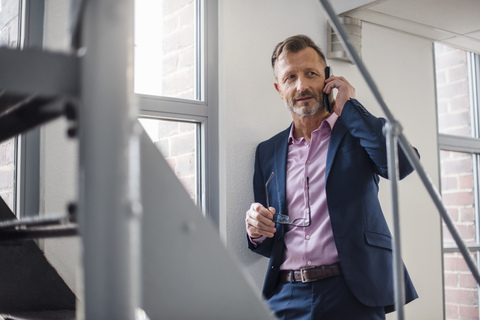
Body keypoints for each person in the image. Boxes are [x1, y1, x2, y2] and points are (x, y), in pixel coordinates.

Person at [245, 34, 418, 320]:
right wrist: (255, 231)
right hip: (286, 295)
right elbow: (267, 239)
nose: (301, 85)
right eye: (290, 77)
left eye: (310, 74)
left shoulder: (356, 132)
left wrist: (351, 109)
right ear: (279, 88)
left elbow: (401, 165)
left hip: (353, 293)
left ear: (327, 78)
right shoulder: (267, 151)